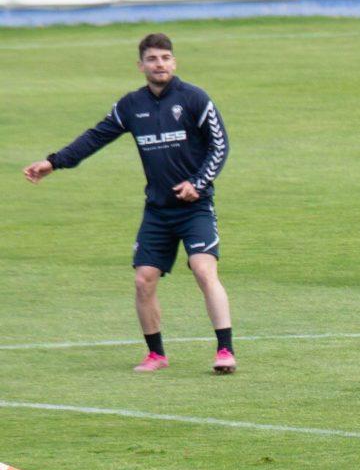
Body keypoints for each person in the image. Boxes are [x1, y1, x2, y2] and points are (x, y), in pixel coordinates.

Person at [23, 33, 236, 374]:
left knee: (203, 269)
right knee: (143, 280)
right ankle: (156, 354)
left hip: (195, 208)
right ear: (141, 66)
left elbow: (219, 145)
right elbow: (95, 137)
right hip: (157, 210)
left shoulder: (195, 99)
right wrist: (53, 162)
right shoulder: (130, 106)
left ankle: (225, 350)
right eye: (152, 59)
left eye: (165, 58)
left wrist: (198, 183)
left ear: (174, 62)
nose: (160, 64)